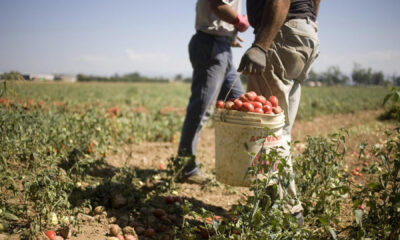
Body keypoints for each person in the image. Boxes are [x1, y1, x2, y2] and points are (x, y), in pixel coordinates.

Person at [238, 0, 321, 225]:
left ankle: (288, 212)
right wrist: (307, 23)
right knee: (280, 129)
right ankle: (271, 202)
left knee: (268, 130)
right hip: (304, 33)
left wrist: (261, 46)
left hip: (282, 32)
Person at [177, 0, 250, 183]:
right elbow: (217, 4)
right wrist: (239, 22)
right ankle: (185, 168)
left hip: (221, 45)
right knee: (201, 108)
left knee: (239, 103)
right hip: (210, 45)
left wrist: (229, 33)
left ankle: (239, 165)